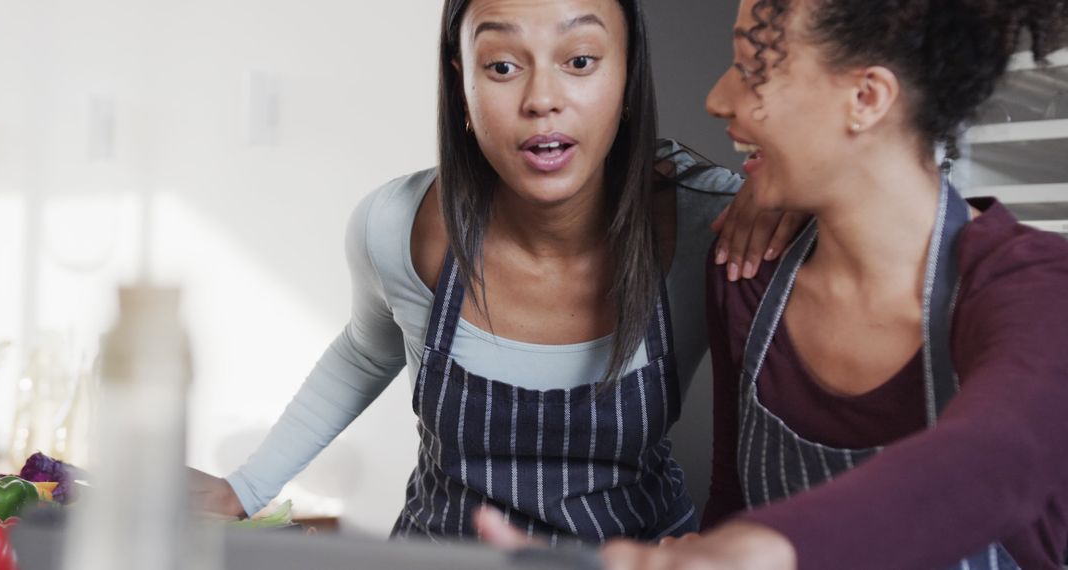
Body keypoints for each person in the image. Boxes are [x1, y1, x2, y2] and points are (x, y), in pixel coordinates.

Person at [191, 0, 802, 544]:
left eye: (581, 60)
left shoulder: (717, 228)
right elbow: (363, 353)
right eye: (503, 66)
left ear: (628, 74)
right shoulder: (396, 227)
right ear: (462, 84)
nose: (542, 99)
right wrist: (245, 488)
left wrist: (798, 190)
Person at [483, 0, 1068, 567]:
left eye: (750, 66)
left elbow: (998, 455)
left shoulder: (1033, 285)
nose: (717, 99)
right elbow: (731, 501)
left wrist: (758, 549)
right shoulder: (747, 272)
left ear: (865, 98)